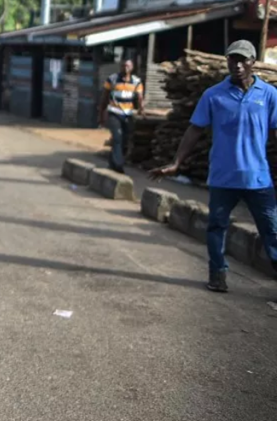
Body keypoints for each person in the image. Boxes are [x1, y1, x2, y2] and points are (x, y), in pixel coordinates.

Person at [150, 40, 277, 293]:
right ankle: (217, 274)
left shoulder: (269, 95)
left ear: (253, 62)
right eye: (232, 59)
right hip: (223, 177)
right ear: (227, 61)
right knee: (217, 227)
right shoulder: (213, 95)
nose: (237, 65)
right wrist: (176, 163)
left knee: (272, 230)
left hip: (258, 179)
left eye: (243, 60)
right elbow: (194, 130)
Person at [99, 58, 144, 173]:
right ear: (120, 67)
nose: (125, 68)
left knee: (124, 140)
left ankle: (113, 162)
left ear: (132, 68)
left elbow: (139, 97)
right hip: (114, 112)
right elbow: (105, 97)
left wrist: (141, 109)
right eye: (123, 66)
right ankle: (118, 165)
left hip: (128, 114)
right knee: (118, 137)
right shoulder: (112, 79)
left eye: (128, 66)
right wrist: (101, 114)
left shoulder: (136, 82)